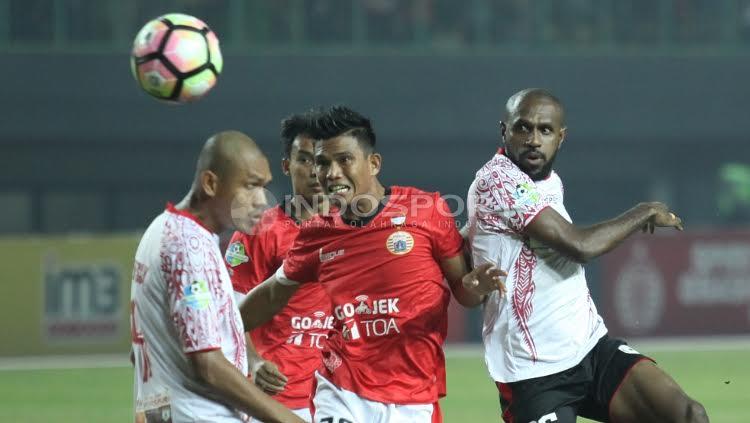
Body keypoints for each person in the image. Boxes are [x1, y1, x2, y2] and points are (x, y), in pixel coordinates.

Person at [239, 106, 503, 423]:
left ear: (373, 163)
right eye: (322, 163)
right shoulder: (316, 235)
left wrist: (477, 286)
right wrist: (221, 326)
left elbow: (464, 291)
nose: (330, 172)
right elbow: (270, 295)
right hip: (343, 390)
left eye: (344, 160)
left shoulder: (427, 210)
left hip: (415, 393)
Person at [464, 88, 709, 423]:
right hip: (533, 372)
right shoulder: (499, 180)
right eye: (523, 127)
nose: (534, 139)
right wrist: (644, 211)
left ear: (561, 137)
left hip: (590, 350)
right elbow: (580, 246)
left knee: (688, 415)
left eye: (545, 130)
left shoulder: (548, 181)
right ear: (504, 130)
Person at [129, 130, 305, 423]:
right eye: (250, 186)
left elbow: (141, 351)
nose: (261, 200)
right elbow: (208, 364)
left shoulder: (162, 230)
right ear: (211, 183)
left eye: (264, 186)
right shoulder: (189, 247)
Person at [226, 112, 331, 422]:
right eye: (304, 160)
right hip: (275, 398)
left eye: (323, 161)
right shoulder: (258, 230)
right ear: (286, 165)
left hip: (338, 395)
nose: (315, 171)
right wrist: (254, 363)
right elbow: (229, 314)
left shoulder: (356, 231)